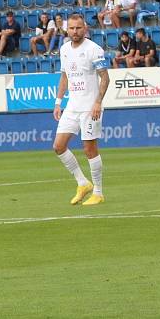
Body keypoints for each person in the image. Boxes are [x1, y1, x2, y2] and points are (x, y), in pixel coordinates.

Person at [53, 14, 110, 206]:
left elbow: (105, 78)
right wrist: (58, 102)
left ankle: (99, 192)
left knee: (89, 149)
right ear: (66, 29)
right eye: (71, 28)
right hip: (72, 106)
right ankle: (82, 183)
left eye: (78, 28)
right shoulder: (64, 49)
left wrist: (97, 102)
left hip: (89, 107)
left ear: (84, 28)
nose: (75, 32)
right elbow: (64, 77)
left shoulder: (94, 49)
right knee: (58, 146)